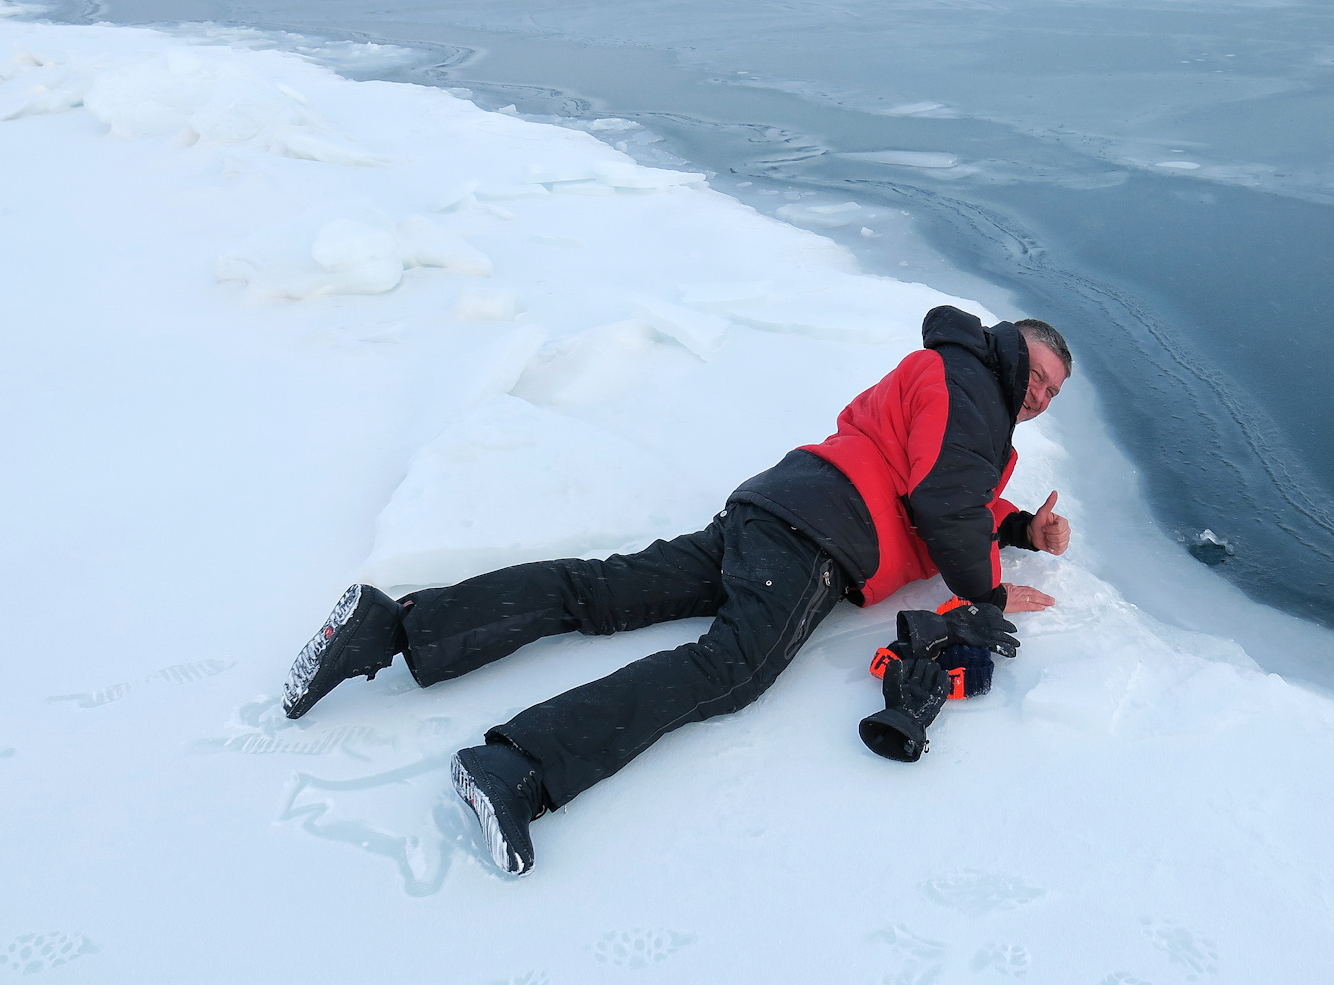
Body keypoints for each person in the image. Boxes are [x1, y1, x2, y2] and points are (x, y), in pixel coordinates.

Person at [279, 305, 1073, 876]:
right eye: (1037, 376)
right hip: (822, 537)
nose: (1039, 396)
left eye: (1052, 393)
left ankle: (390, 629)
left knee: (602, 590)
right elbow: (942, 505)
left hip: (778, 504)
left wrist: (1014, 530)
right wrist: (988, 598)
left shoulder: (956, 382)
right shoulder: (975, 392)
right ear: (1011, 348)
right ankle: (516, 767)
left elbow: (941, 486)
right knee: (730, 667)